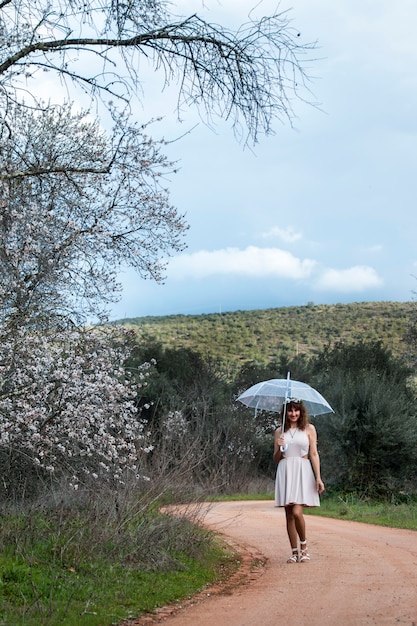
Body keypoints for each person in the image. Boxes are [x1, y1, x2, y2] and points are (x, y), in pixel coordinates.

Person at [273, 398, 325, 563]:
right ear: (285, 413)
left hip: (302, 469)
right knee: (289, 515)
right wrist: (280, 446)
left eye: (296, 410)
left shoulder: (309, 429)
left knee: (297, 512)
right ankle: (294, 552)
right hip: (285, 469)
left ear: (301, 412)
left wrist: (318, 477)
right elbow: (276, 458)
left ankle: (304, 547)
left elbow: (314, 454)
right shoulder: (279, 431)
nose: (293, 414)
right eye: (290, 410)